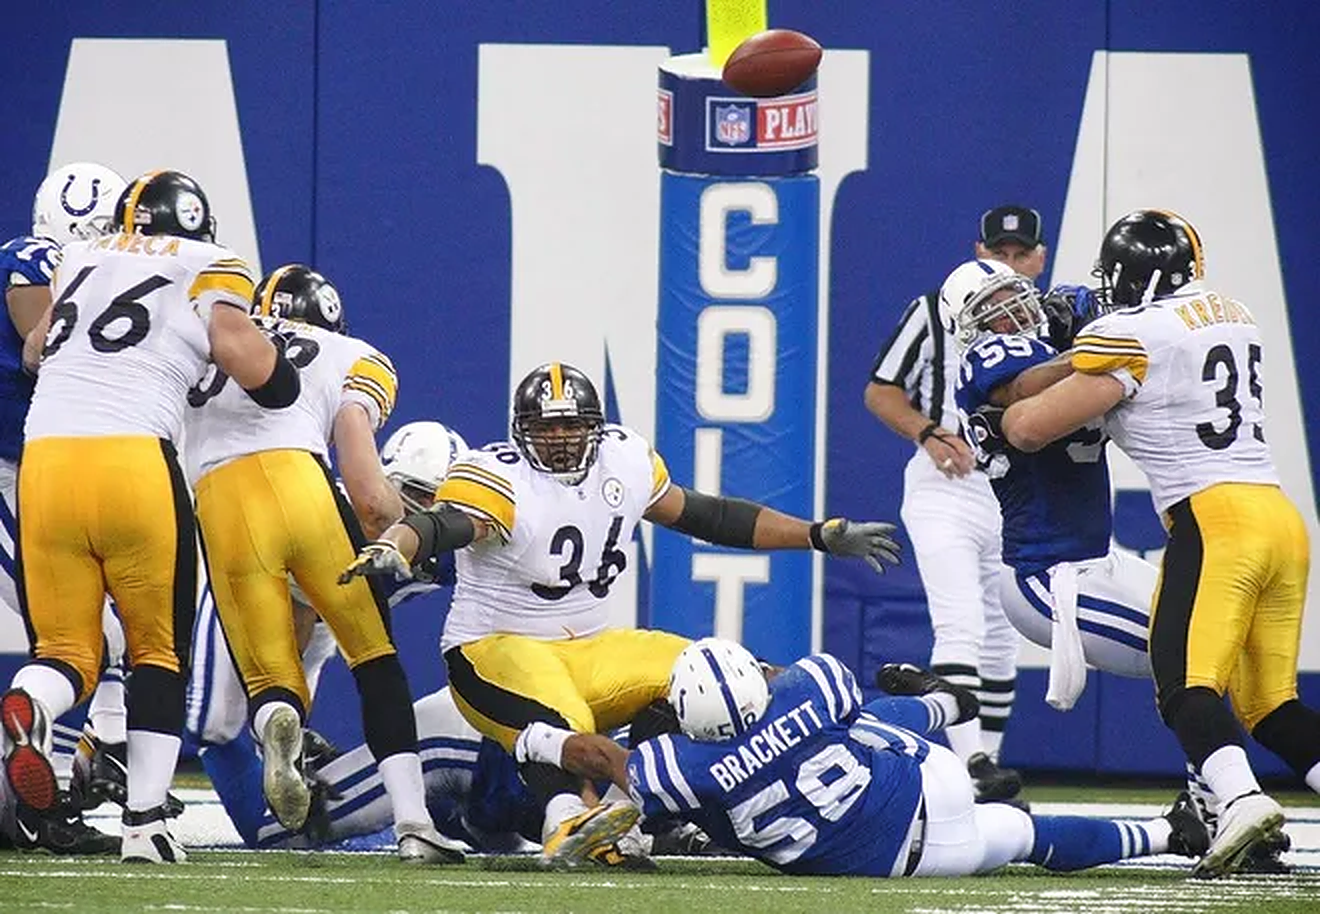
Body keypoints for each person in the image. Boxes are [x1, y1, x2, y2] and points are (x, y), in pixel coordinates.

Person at [341, 361, 903, 867]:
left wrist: (816, 536)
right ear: (520, 433)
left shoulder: (624, 458)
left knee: (712, 673)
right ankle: (566, 820)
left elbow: (709, 516)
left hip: (591, 644)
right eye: (546, 428)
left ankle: (628, 818)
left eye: (572, 426)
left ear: (596, 427)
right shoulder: (498, 474)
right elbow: (448, 525)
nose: (560, 440)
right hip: (494, 646)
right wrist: (402, 542)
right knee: (556, 714)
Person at [999, 209, 1320, 877]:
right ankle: (1242, 795)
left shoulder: (1130, 335)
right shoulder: (1229, 311)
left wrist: (1052, 366)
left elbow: (1027, 427)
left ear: (1128, 279)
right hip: (1280, 522)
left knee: (1183, 685)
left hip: (1216, 522)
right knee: (1272, 706)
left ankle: (1238, 801)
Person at [0, 169, 303, 864]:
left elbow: (33, 351)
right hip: (134, 459)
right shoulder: (207, 264)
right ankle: (144, 823)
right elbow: (257, 369)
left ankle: (32, 707)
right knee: (155, 652)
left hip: (45, 462)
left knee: (66, 652)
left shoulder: (79, 256)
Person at [183, 265, 465, 865]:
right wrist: (409, 535)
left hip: (223, 507)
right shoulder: (355, 356)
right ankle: (413, 820)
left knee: (249, 697)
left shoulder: (208, 350)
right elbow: (368, 496)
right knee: (376, 663)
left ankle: (150, 811)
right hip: (308, 494)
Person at [511, 638, 1208, 877]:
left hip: (908, 862)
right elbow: (795, 687)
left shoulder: (679, 763)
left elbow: (604, 757)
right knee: (867, 723)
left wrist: (535, 740)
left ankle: (1164, 835)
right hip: (929, 793)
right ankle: (947, 706)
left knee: (1022, 839)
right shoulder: (804, 686)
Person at [864, 205, 1049, 798]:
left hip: (1010, 491)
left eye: (1021, 256)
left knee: (1002, 630)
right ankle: (971, 765)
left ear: (1038, 260)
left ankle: (987, 766)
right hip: (946, 486)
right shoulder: (934, 312)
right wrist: (926, 431)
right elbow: (880, 390)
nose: (1009, 267)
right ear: (979, 252)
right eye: (1000, 254)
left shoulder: (1047, 321)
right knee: (960, 620)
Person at [0, 162, 134, 855]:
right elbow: (40, 348)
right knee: (69, 635)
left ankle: (95, 753)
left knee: (102, 627)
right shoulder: (32, 260)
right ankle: (41, 796)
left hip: (49, 470)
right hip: (15, 471)